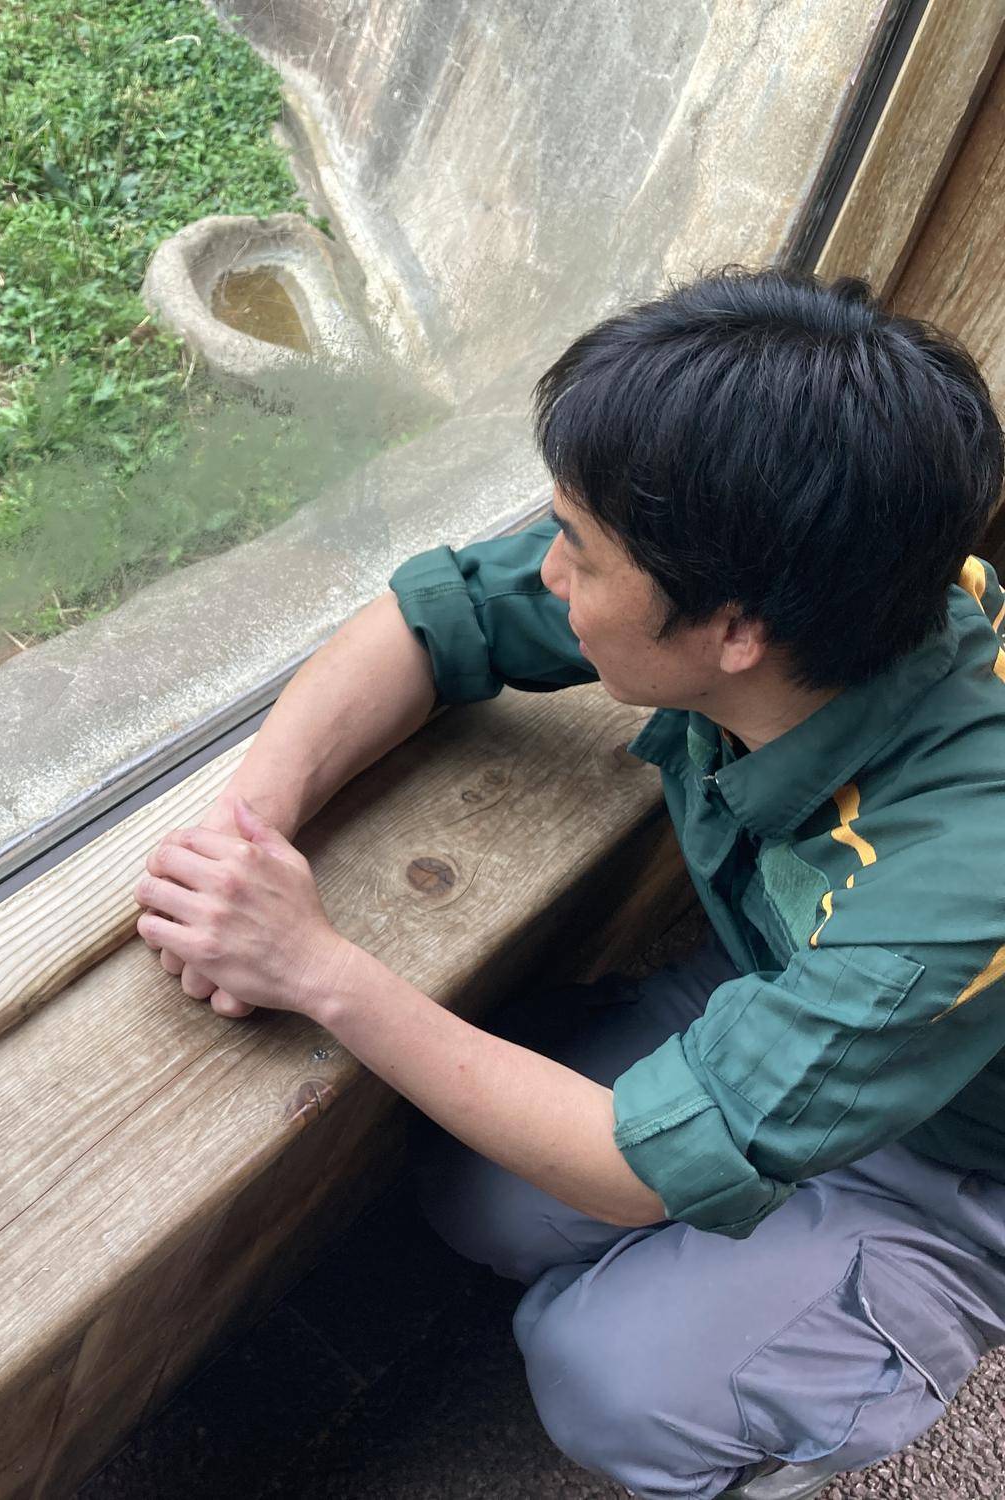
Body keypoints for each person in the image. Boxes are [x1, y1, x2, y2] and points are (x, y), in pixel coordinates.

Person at [133, 268, 1005, 1500]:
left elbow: (628, 1167)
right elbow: (433, 620)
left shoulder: (954, 884)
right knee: (468, 1191)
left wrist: (312, 965)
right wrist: (245, 831)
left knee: (602, 1372)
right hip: (787, 987)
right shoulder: (832, 606)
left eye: (577, 550)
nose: (545, 572)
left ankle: (829, 1382)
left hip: (960, 1157)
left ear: (730, 632)